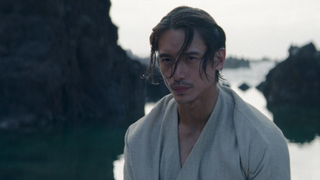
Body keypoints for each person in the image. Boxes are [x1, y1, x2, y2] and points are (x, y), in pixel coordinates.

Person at [124, 6, 290, 180]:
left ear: (218, 59)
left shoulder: (261, 142)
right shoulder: (139, 139)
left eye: (190, 58)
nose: (177, 74)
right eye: (167, 60)